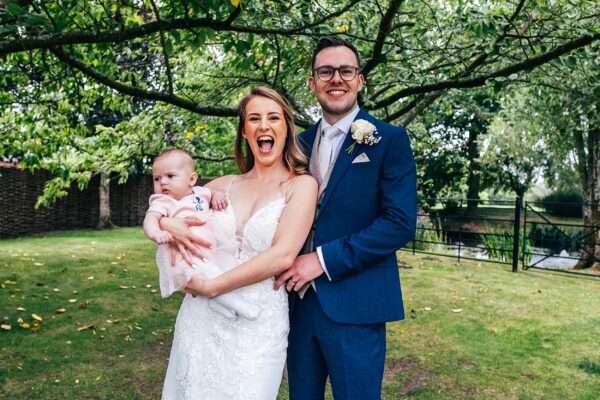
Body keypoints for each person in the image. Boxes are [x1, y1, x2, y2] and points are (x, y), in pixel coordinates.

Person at [274, 36, 417, 399]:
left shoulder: (389, 140)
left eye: (345, 70)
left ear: (360, 80)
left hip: (358, 304)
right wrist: (207, 194)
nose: (335, 78)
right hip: (298, 304)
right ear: (312, 83)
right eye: (325, 71)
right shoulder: (297, 145)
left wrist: (322, 260)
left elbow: (398, 223)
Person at [158, 86, 318, 400]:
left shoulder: (301, 186)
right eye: (254, 118)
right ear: (244, 131)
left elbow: (282, 255)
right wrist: (167, 223)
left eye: (273, 118)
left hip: (258, 325)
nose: (264, 126)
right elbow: (165, 205)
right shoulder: (222, 185)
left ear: (286, 128)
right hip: (200, 319)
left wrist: (214, 286)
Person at [143, 148, 259, 320]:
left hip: (210, 244)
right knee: (201, 278)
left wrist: (217, 197)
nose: (163, 183)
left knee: (219, 272)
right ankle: (238, 305)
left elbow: (214, 194)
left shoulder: (201, 192)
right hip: (184, 252)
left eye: (170, 176)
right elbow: (150, 219)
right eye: (157, 178)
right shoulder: (162, 201)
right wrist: (156, 233)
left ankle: (222, 306)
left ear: (192, 179)